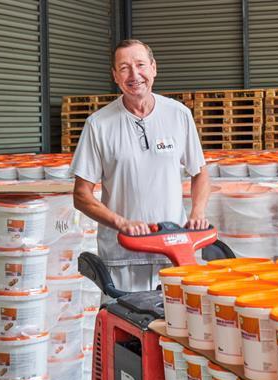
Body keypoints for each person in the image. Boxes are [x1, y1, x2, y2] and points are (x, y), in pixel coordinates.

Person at [71, 39, 210, 293]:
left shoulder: (179, 115)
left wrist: (198, 212)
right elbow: (81, 195)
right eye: (124, 68)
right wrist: (121, 222)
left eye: (140, 65)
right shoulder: (98, 125)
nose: (134, 75)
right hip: (122, 255)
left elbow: (199, 172)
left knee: (176, 328)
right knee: (125, 327)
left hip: (174, 252)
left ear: (154, 68)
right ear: (115, 76)